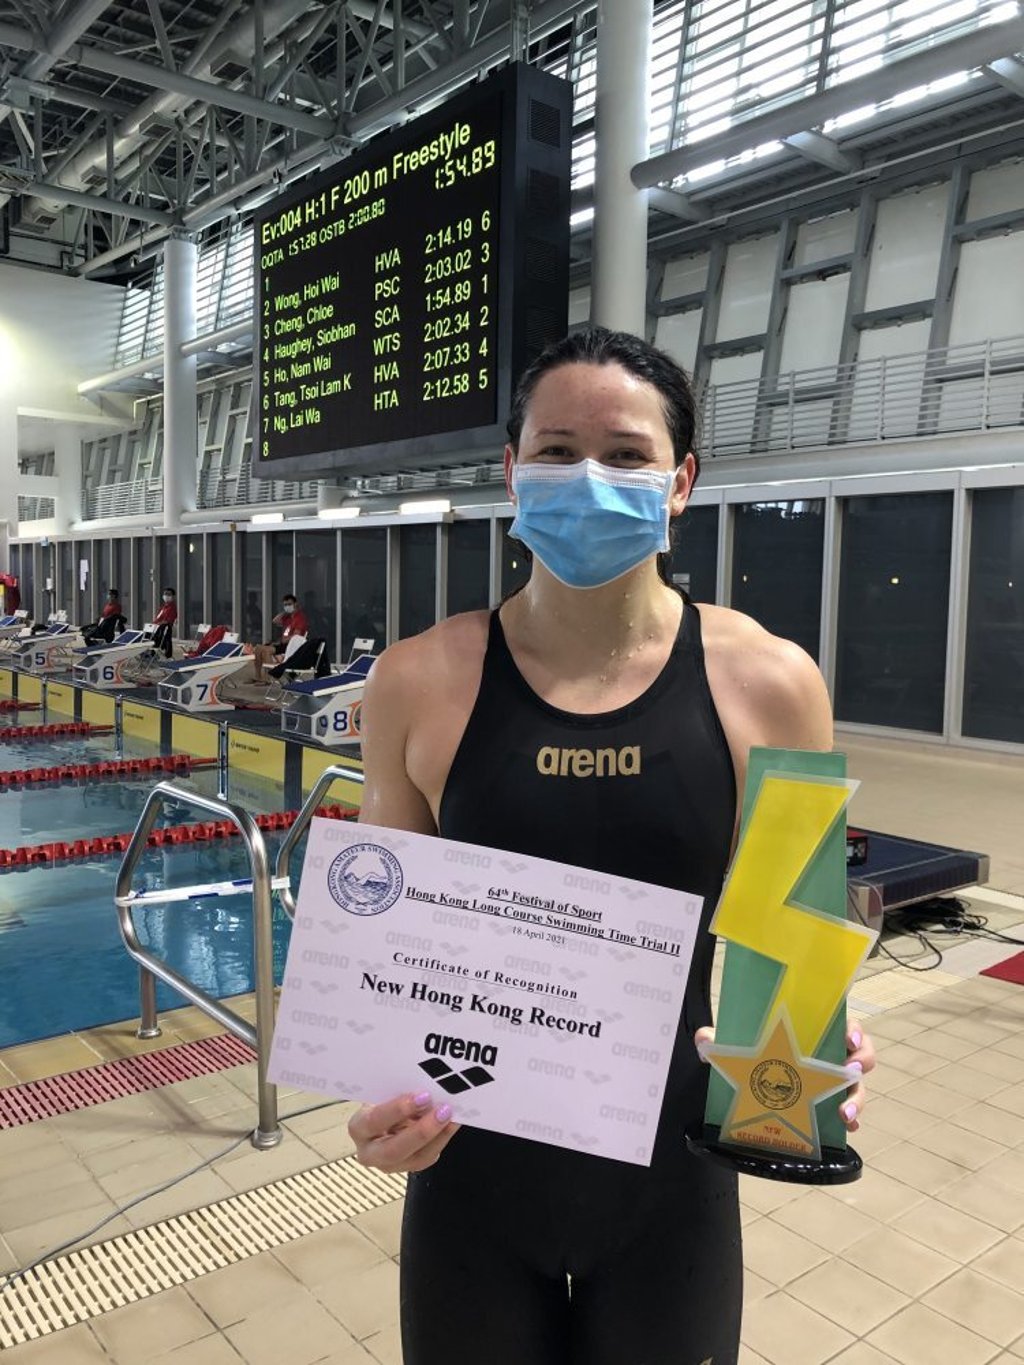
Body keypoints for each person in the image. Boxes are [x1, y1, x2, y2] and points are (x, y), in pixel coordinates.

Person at [347, 328, 875, 1365]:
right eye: (555, 450)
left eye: (626, 454)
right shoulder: (418, 681)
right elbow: (387, 959)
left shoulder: (770, 684)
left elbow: (791, 964)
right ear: (511, 474)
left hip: (670, 1186)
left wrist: (812, 1057)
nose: (588, 477)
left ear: (679, 482)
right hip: (468, 1174)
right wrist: (374, 1099)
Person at [252, 593, 310, 677]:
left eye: (289, 604)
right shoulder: (288, 617)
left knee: (266, 651)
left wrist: (283, 640)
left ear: (295, 604)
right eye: (285, 605)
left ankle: (269, 678)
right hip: (282, 644)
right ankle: (258, 677)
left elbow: (296, 636)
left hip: (290, 646)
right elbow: (275, 621)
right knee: (258, 648)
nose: (287, 606)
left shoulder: (300, 618)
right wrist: (284, 612)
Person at [151, 586, 177, 658]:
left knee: (164, 640)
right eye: (165, 594)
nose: (166, 596)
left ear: (173, 596)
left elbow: (168, 620)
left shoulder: (172, 607)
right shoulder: (164, 607)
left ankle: (165, 655)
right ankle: (151, 654)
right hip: (157, 627)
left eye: (169, 594)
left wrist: (158, 624)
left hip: (165, 628)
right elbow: (158, 618)